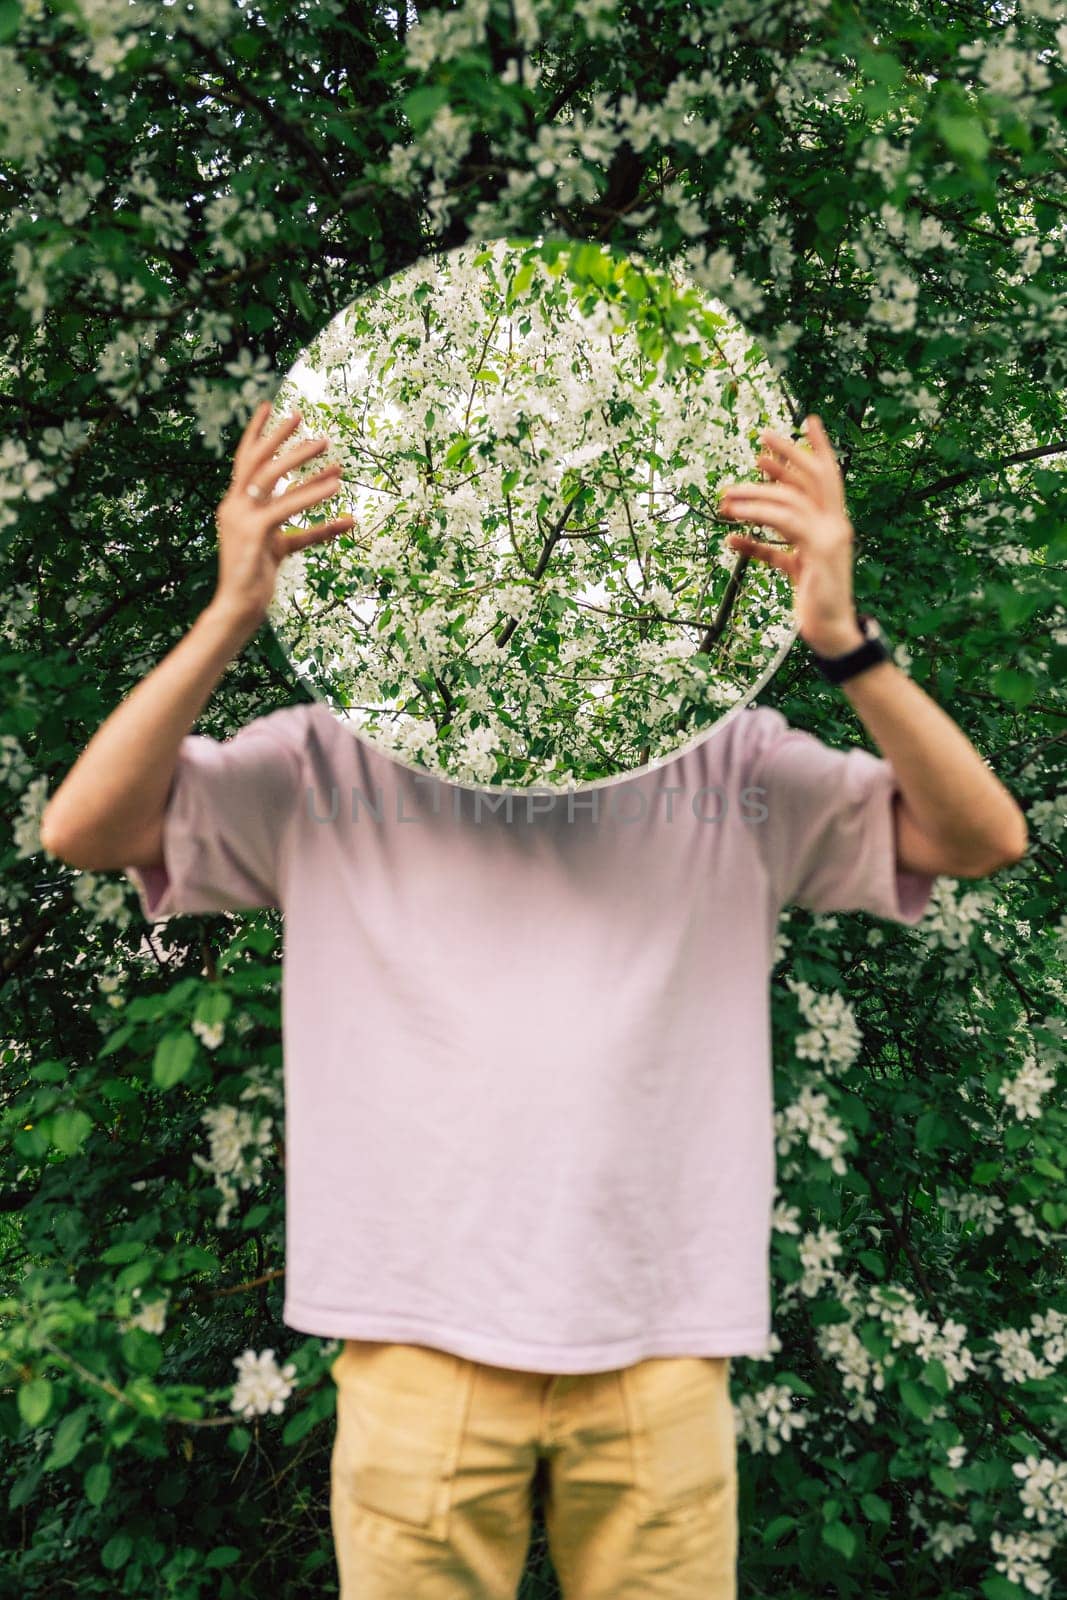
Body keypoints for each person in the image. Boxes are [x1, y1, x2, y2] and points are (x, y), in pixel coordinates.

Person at [41, 402, 1029, 1600]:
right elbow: (84, 826)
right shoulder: (326, 762)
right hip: (414, 1338)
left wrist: (842, 639)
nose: (544, 566)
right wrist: (230, 613)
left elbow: (978, 837)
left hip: (659, 1341)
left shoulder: (728, 763)